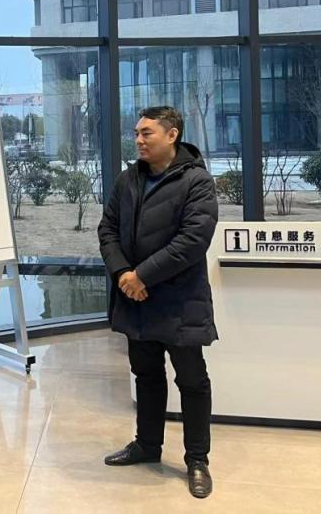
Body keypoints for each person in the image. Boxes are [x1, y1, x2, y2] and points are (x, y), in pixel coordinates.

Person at [97, 105, 219, 499]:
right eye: (136, 133)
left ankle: (197, 459)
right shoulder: (128, 179)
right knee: (146, 375)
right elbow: (107, 228)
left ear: (172, 134)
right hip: (136, 299)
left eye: (146, 133)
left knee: (192, 381)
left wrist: (141, 276)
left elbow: (192, 241)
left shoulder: (197, 181)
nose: (138, 140)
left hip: (180, 300)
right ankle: (147, 445)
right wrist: (123, 274)